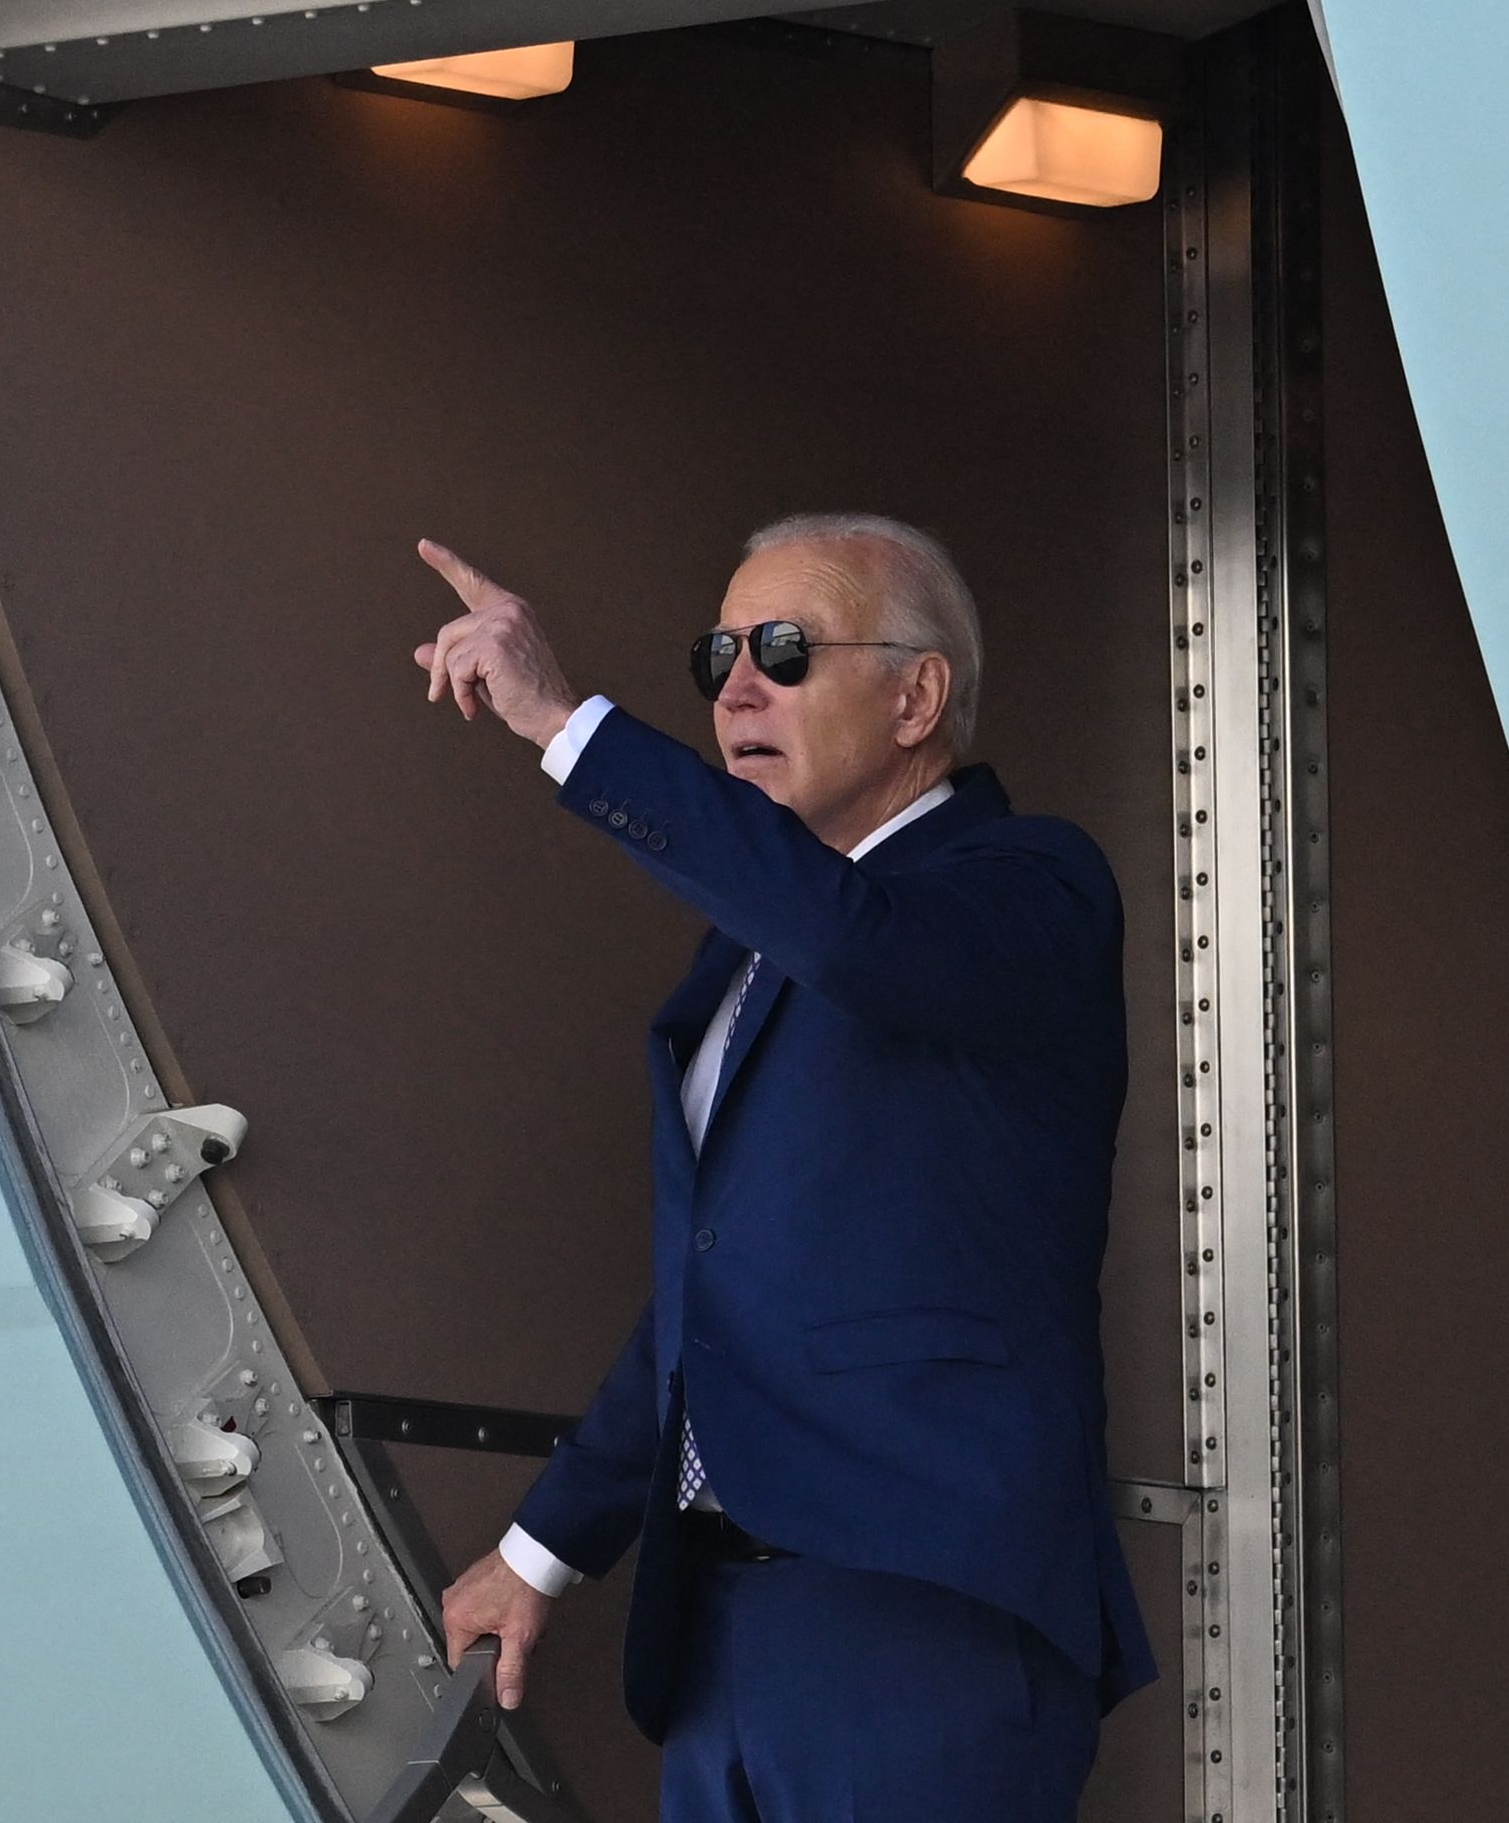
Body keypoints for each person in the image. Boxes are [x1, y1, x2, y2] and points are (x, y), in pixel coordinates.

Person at [414, 516, 1153, 1823]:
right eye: (721, 657)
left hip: (917, 1605)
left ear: (919, 696)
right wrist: (541, 1554)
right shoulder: (749, 959)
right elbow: (714, 1295)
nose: (739, 688)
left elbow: (858, 938)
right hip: (725, 1627)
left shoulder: (1027, 885)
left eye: (786, 651)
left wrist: (569, 725)